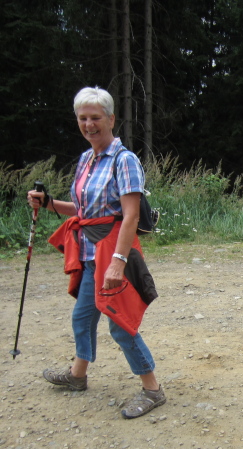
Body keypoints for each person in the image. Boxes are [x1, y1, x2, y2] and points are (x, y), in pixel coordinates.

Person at [26, 86, 166, 419]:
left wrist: (118, 262)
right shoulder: (86, 160)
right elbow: (84, 210)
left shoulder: (124, 160)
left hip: (113, 254)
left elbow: (130, 216)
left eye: (95, 117)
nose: (89, 124)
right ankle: (77, 376)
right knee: (82, 317)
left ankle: (152, 389)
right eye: (82, 118)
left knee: (119, 323)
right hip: (90, 254)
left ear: (111, 119)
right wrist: (49, 203)